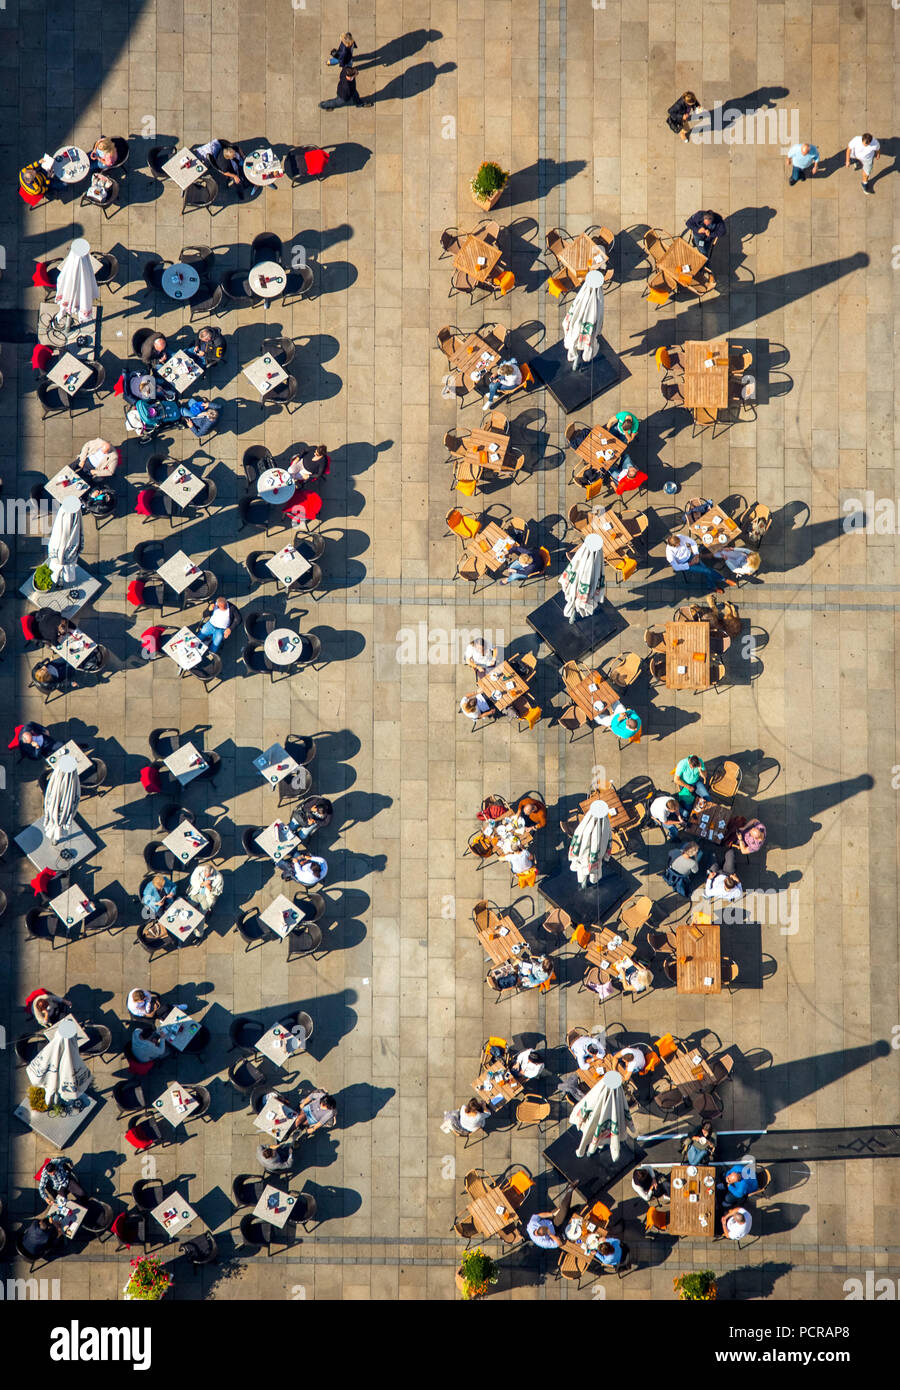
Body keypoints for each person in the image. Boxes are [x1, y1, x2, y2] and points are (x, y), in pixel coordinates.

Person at [665, 531, 734, 592]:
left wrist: (696, 554)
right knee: (707, 570)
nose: (680, 544)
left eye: (680, 542)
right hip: (686, 564)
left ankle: (711, 586)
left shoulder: (679, 537)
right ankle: (723, 579)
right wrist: (690, 564)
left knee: (707, 570)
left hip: (692, 555)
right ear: (673, 546)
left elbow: (692, 542)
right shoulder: (669, 552)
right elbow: (676, 567)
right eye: (678, 545)